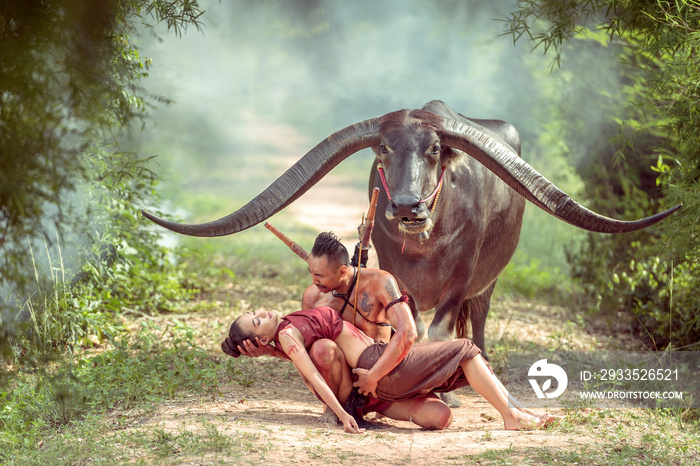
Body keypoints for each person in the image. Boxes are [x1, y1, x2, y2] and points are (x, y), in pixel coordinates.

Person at [221, 306, 558, 434]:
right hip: (378, 368)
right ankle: (511, 415)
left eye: (256, 312)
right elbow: (311, 374)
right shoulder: (288, 334)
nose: (262, 313)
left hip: (380, 371)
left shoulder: (285, 333)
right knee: (465, 349)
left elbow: (299, 358)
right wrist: (341, 413)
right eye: (257, 321)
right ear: (262, 337)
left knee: (441, 415)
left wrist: (266, 351)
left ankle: (515, 411)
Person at [239, 232, 452, 429]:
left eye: (320, 275)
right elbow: (309, 357)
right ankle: (337, 408)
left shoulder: (379, 281)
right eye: (311, 273)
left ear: (342, 270)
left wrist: (374, 377)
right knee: (323, 347)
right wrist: (272, 351)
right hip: (344, 389)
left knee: (441, 416)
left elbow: (408, 333)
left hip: (382, 378)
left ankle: (383, 407)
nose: (314, 281)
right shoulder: (313, 296)